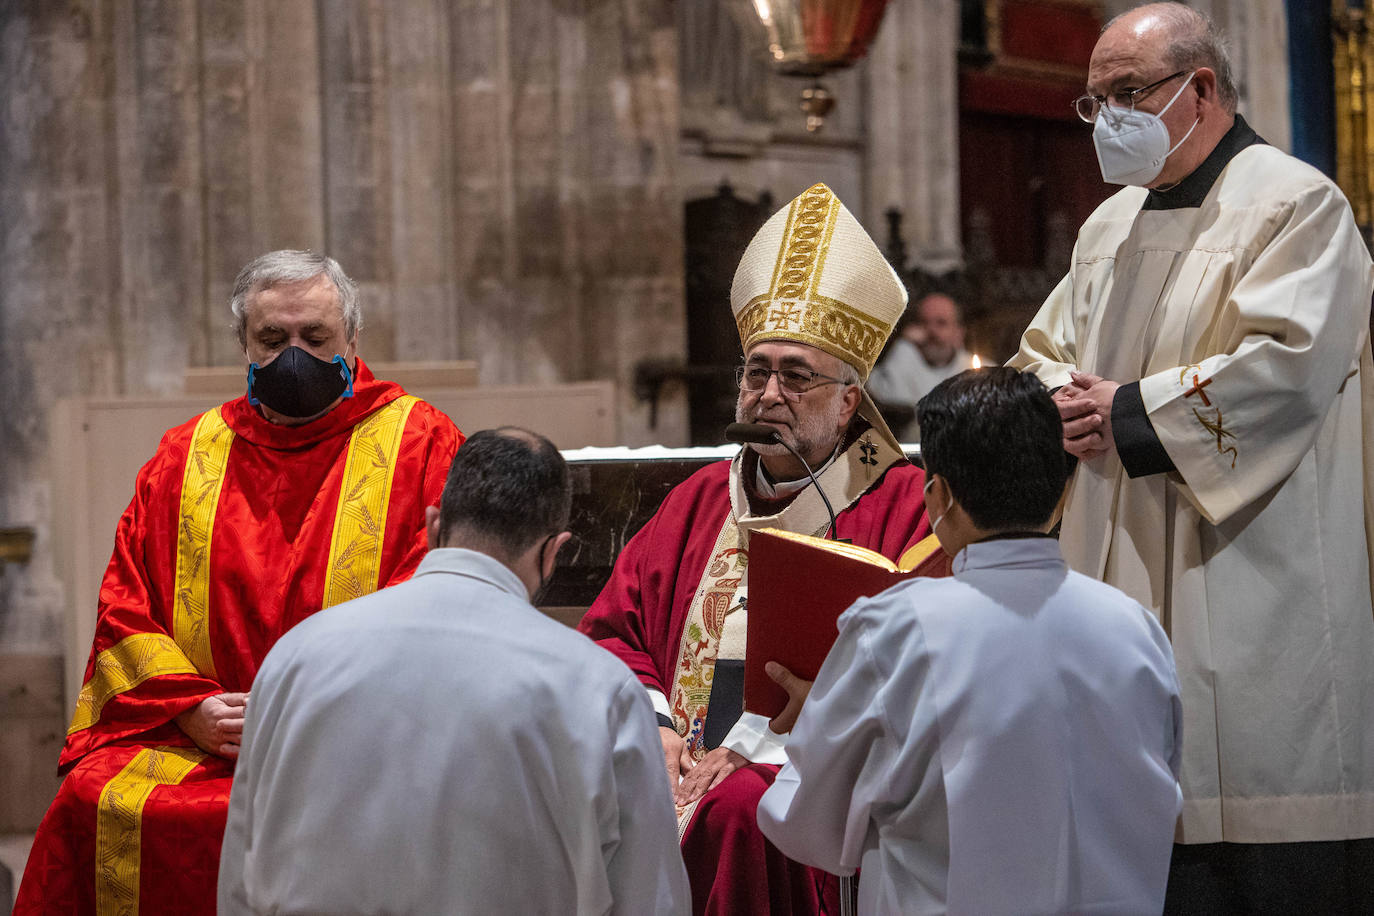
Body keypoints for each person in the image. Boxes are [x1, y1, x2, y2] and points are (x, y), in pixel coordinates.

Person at [1008, 3, 1374, 911]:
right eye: (1094, 105)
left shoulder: (1295, 205)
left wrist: (1129, 411)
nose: (1108, 122)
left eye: (1127, 94)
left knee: (1247, 847)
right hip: (1113, 572)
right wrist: (1056, 398)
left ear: (1199, 88)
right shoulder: (1107, 228)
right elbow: (1039, 352)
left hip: (1246, 580)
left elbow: (1286, 366)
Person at [16, 250, 464, 915]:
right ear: (243, 345)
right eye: (272, 340)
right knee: (92, 801)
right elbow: (127, 606)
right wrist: (189, 709)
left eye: (314, 339)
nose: (294, 357)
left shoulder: (422, 442)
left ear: (353, 339)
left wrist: (314, 712)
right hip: (206, 743)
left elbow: (444, 597)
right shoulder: (186, 454)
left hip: (357, 741)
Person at [579, 182, 941, 915]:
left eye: (797, 375)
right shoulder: (701, 500)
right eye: (756, 371)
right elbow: (614, 632)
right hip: (678, 762)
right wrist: (655, 729)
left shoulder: (904, 503)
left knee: (743, 809)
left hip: (820, 776)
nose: (768, 393)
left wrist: (760, 747)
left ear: (849, 400)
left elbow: (927, 668)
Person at [757, 367, 1183, 915]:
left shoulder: (895, 629)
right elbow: (1160, 792)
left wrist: (823, 718)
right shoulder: (1137, 628)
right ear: (1058, 497)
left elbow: (807, 826)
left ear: (939, 498)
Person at [218, 428, 689, 915]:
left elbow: (240, 874)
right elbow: (648, 898)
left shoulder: (296, 656)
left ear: (432, 525)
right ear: (554, 550)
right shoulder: (598, 687)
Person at [867, 291, 973, 441]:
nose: (931, 331)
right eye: (923, 323)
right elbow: (890, 397)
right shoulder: (903, 358)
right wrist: (903, 345)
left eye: (941, 323)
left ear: (959, 333)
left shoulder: (978, 370)